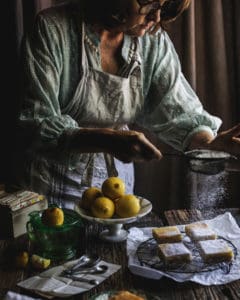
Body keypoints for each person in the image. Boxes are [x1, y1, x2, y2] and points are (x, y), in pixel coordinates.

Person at [13, 0, 240, 208]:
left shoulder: (152, 41)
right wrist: (105, 140)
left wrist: (212, 147)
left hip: (118, 194)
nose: (156, 18)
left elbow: (179, 113)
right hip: (50, 190)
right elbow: (36, 124)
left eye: (163, 7)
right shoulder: (52, 29)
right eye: (149, 5)